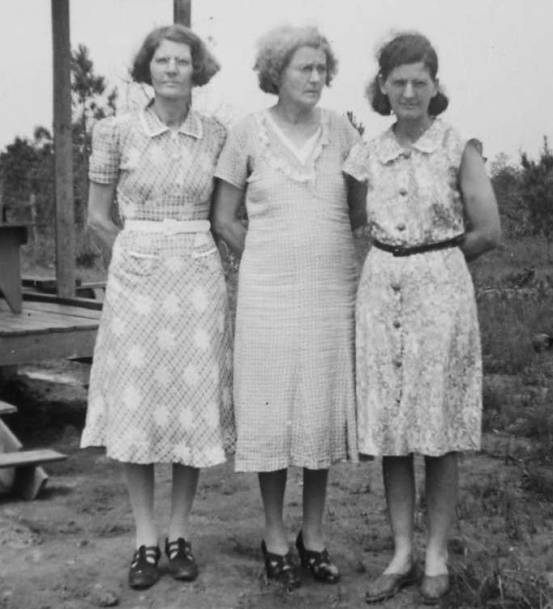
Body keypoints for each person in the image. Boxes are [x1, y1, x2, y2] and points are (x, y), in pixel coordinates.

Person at [343, 32, 500, 605]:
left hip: (440, 295)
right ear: (383, 88)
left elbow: (488, 230)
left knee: (437, 430)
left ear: (435, 86)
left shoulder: (459, 147)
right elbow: (355, 221)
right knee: (392, 431)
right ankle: (401, 552)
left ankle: (436, 555)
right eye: (399, 82)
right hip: (380, 293)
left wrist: (437, 264)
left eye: (420, 82)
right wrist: (395, 264)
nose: (409, 92)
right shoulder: (365, 155)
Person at [80, 24, 234, 590]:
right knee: (136, 403)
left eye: (182, 61)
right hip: (137, 281)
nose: (172, 69)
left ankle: (178, 534)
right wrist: (135, 253)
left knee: (191, 404)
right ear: (148, 67)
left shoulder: (215, 134)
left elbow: (222, 216)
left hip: (197, 278)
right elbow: (97, 216)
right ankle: (144, 539)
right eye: (163, 60)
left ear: (197, 71)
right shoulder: (115, 131)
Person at [212, 25, 365, 590]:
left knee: (320, 408)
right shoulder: (246, 132)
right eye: (305, 68)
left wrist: (317, 249)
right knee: (272, 410)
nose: (315, 77)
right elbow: (223, 217)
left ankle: (314, 537)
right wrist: (265, 257)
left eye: (322, 68)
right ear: (277, 72)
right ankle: (275, 535)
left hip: (330, 291)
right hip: (267, 294)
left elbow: (356, 210)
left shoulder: (343, 131)